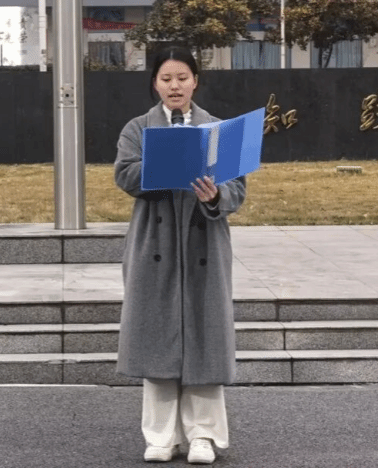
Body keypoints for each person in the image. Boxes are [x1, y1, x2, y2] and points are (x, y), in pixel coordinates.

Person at [114, 45, 247, 465]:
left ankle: (203, 435)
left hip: (204, 242)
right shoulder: (138, 128)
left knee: (205, 340)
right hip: (154, 244)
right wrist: (163, 163)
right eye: (167, 78)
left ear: (195, 82)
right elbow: (124, 174)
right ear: (155, 83)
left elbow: (237, 189)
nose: (175, 86)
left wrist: (215, 195)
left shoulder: (219, 129)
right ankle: (160, 436)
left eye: (183, 78)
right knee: (157, 341)